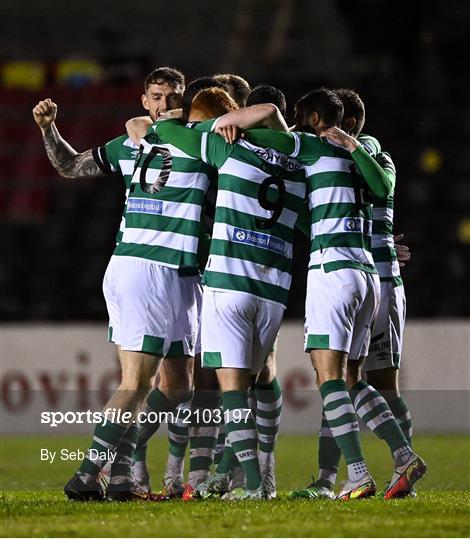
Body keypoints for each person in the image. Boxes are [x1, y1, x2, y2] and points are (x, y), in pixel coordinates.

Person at [218, 87, 426, 500]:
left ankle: (358, 474)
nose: (294, 123)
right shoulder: (371, 157)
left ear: (317, 120)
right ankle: (399, 459)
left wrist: (230, 127)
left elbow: (262, 132)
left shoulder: (312, 147)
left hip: (333, 270)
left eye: (300, 116)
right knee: (354, 379)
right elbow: (382, 192)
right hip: (370, 272)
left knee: (330, 377)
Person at [291, 89, 418, 500]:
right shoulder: (375, 155)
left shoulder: (350, 153)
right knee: (373, 382)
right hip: (381, 275)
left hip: (355, 272)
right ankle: (395, 467)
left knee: (339, 377)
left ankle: (337, 476)